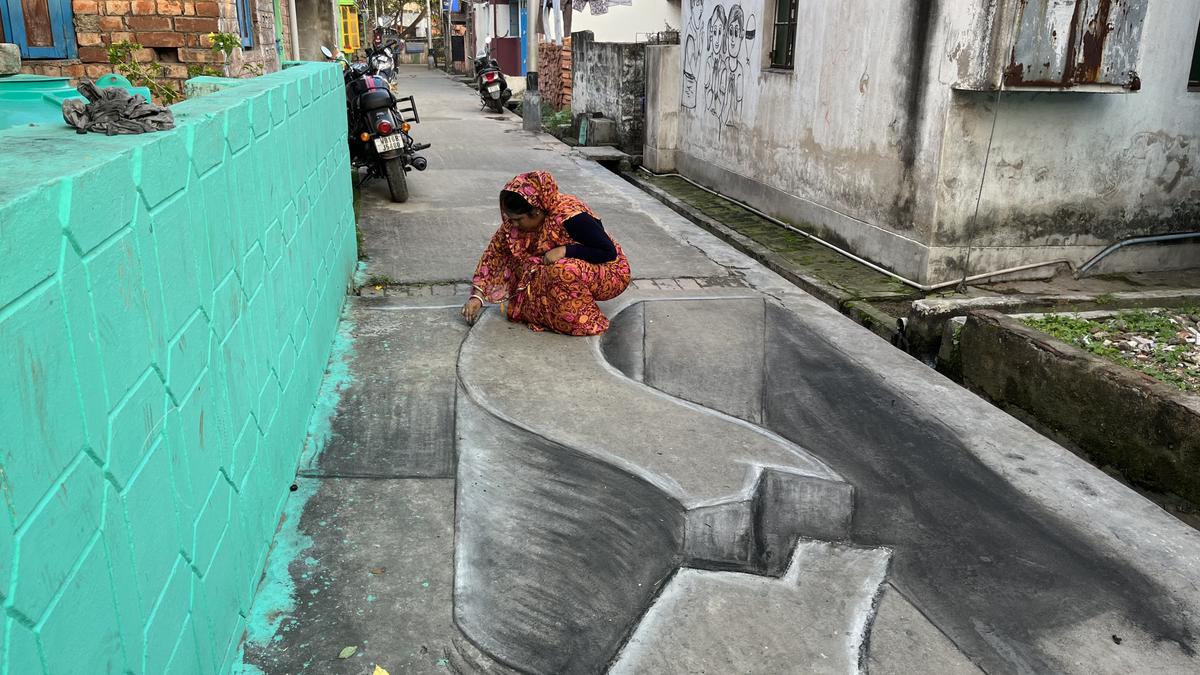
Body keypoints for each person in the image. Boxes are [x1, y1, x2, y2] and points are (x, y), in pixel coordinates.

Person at [461, 171, 631, 335]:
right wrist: (477, 296)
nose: (514, 225)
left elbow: (608, 252)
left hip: (609, 271)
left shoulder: (571, 216)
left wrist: (565, 250)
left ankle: (585, 321)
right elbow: (494, 254)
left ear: (536, 211)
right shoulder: (515, 224)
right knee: (527, 263)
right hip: (571, 264)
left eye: (518, 220)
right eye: (510, 219)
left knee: (561, 270)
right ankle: (552, 315)